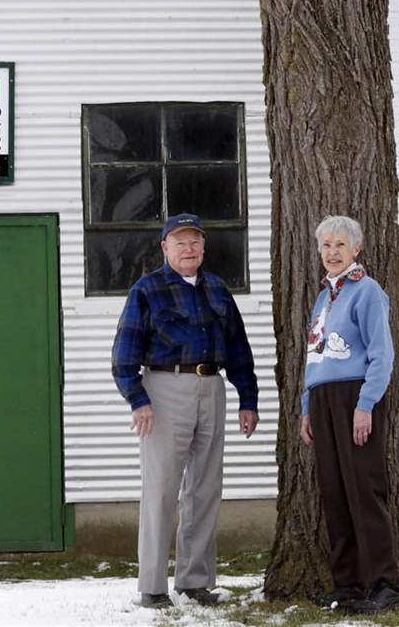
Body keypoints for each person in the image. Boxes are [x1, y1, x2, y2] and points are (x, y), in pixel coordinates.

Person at [111, 213, 259, 609]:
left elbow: (239, 350)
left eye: (195, 241)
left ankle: (195, 580)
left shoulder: (217, 290)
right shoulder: (147, 289)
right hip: (163, 390)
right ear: (164, 247)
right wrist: (137, 399)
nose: (188, 248)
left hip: (212, 387)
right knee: (161, 490)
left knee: (205, 488)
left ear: (204, 247)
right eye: (180, 242)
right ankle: (153, 586)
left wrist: (248, 399)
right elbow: (124, 354)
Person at [300, 215, 399, 613]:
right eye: (326, 245)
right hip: (323, 400)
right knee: (335, 492)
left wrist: (365, 405)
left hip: (354, 397)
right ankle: (349, 584)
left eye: (340, 244)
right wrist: (308, 406)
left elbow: (382, 354)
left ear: (356, 249)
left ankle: (384, 585)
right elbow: (315, 354)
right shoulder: (324, 296)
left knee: (363, 491)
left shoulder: (367, 291)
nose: (332, 252)